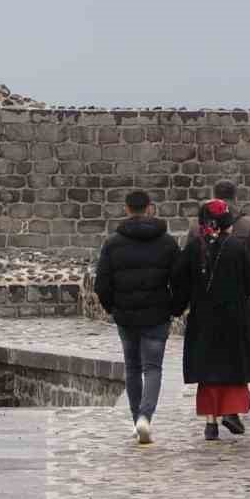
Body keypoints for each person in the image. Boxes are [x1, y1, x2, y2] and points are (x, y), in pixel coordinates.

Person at [94, 189, 180, 445]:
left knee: (132, 367)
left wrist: (113, 308)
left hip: (126, 315)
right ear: (150, 208)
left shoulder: (113, 243)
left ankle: (136, 420)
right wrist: (173, 308)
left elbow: (102, 284)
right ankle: (146, 416)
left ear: (126, 209)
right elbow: (179, 279)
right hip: (157, 314)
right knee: (152, 368)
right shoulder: (167, 242)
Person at [173, 199, 250, 441]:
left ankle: (210, 423)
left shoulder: (193, 248)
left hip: (204, 319)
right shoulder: (236, 248)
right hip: (234, 319)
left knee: (208, 372)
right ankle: (231, 411)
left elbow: (179, 281)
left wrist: (175, 308)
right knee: (232, 368)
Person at [188, 180, 250, 339]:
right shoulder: (247, 226)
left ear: (214, 196)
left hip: (204, 302)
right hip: (238, 301)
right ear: (235, 197)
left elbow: (188, 266)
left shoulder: (196, 228)